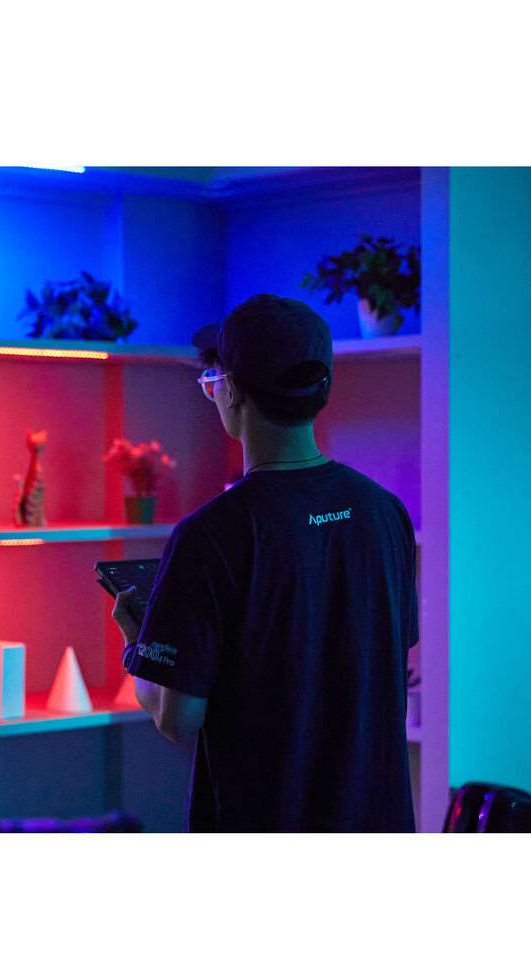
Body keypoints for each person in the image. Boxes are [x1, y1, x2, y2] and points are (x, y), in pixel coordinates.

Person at [111, 294, 419, 832]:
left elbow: (177, 718)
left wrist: (139, 649)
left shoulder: (213, 534)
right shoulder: (384, 512)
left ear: (230, 390)